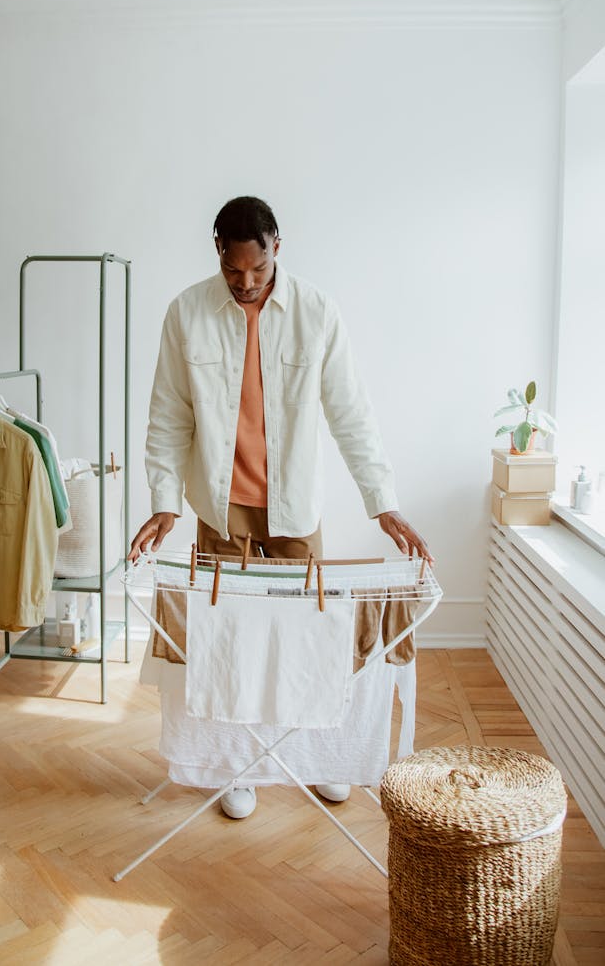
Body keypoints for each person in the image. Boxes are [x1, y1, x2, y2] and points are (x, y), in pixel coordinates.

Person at [129, 195, 433, 819]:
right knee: (229, 643)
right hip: (219, 507)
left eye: (258, 272)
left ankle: (320, 758)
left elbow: (351, 414)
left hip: (293, 505)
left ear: (277, 250)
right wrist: (164, 503)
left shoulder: (317, 312)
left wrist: (384, 504)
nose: (245, 284)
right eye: (234, 272)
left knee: (311, 640)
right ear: (219, 253)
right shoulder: (186, 313)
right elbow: (167, 416)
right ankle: (236, 765)